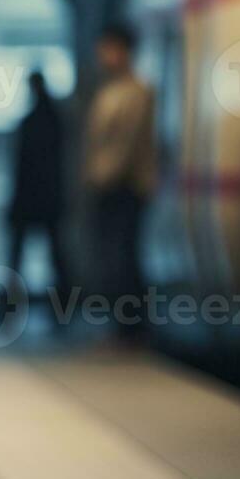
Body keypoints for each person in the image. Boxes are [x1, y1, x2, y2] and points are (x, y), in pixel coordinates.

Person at [84, 25, 156, 330]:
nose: (103, 56)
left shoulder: (137, 92)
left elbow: (124, 145)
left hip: (125, 187)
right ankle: (122, 327)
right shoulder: (110, 92)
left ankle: (131, 329)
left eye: (109, 48)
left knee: (123, 258)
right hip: (109, 185)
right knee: (113, 257)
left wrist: (102, 177)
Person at [7, 70, 71, 299]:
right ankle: (62, 307)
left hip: (31, 199)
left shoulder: (34, 121)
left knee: (19, 260)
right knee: (55, 258)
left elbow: (21, 167)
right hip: (47, 200)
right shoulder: (55, 120)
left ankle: (11, 308)